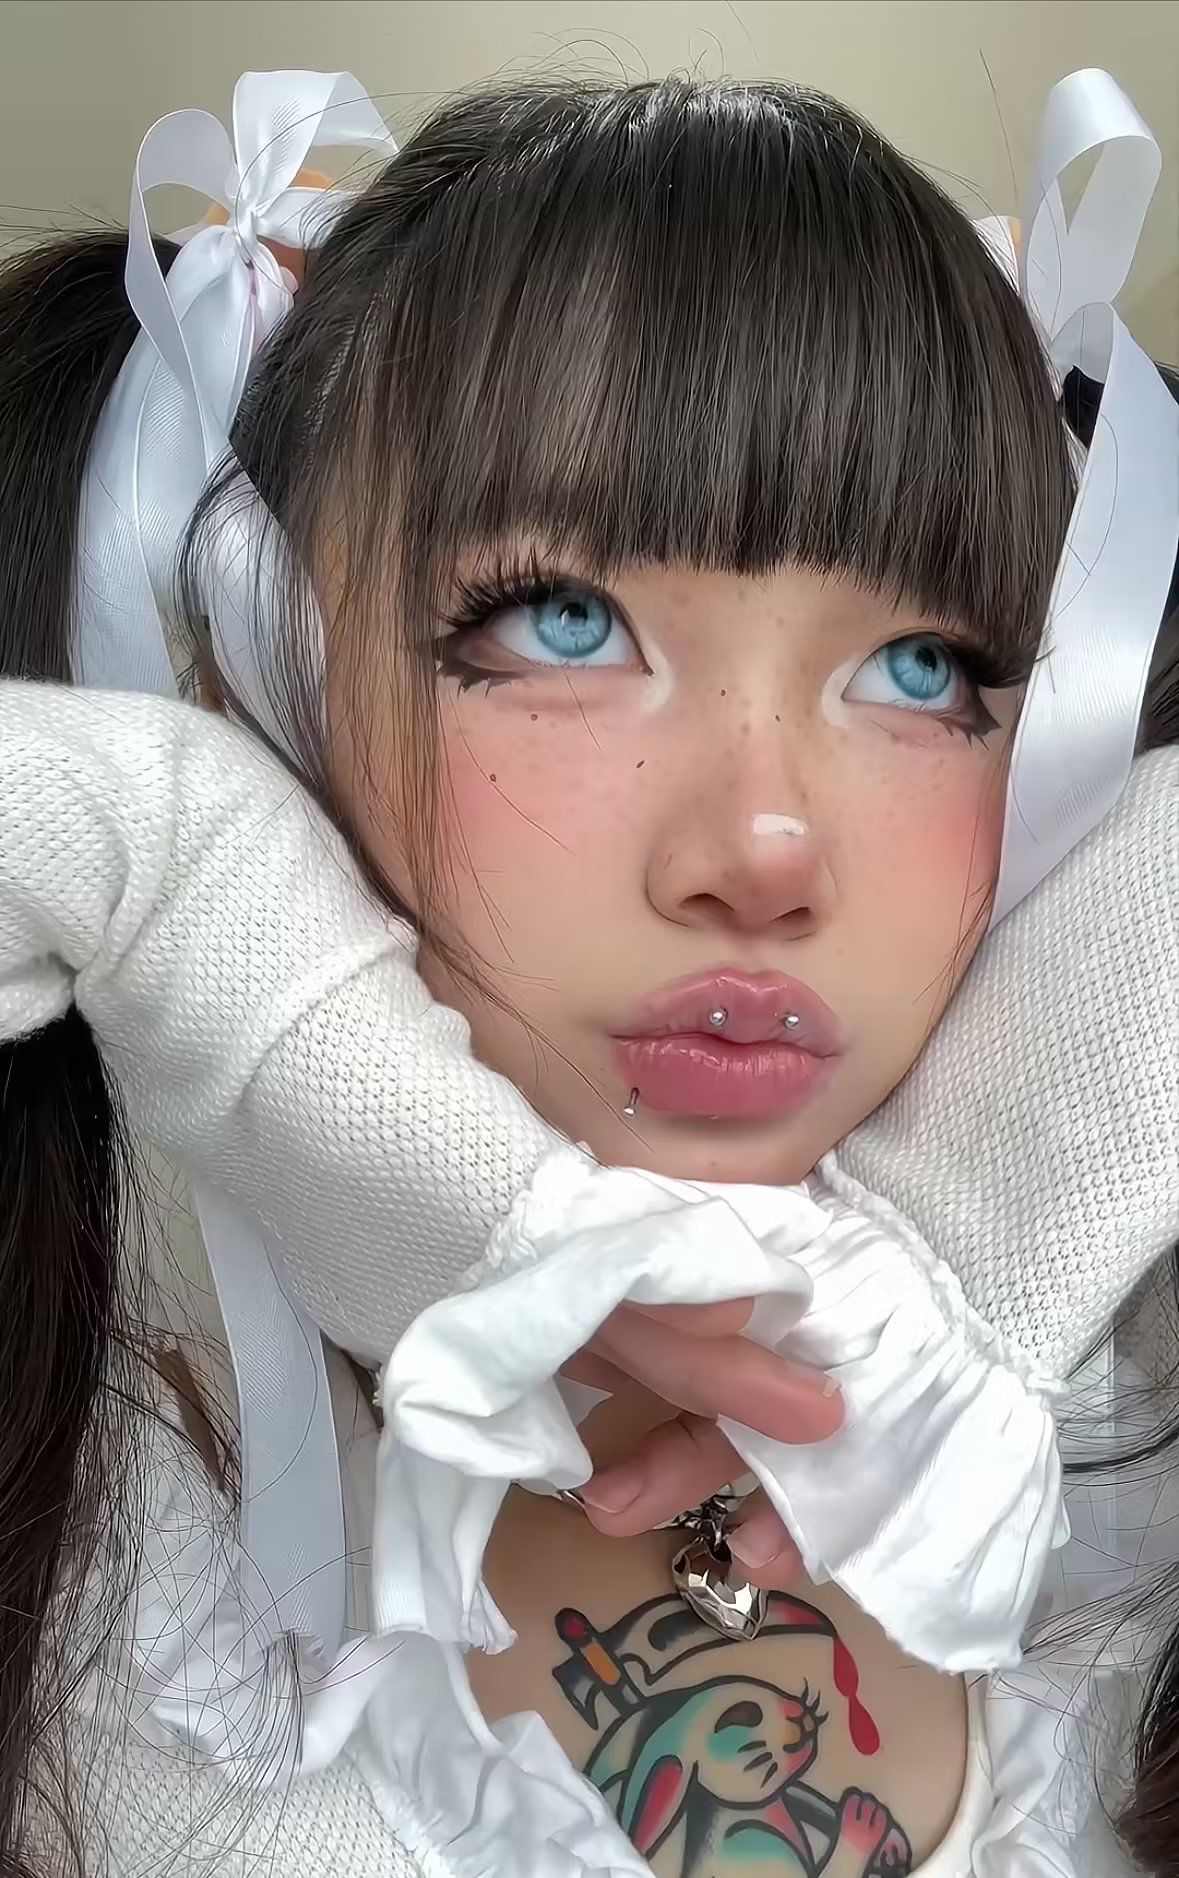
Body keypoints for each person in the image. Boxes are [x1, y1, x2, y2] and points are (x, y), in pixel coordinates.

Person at [0, 63, 1176, 1878]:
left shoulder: (1122, 1507)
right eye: (562, 623)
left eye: (923, 669)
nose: (764, 851)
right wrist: (261, 982)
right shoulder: (98, 1522)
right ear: (261, 663)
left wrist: (966, 1268)